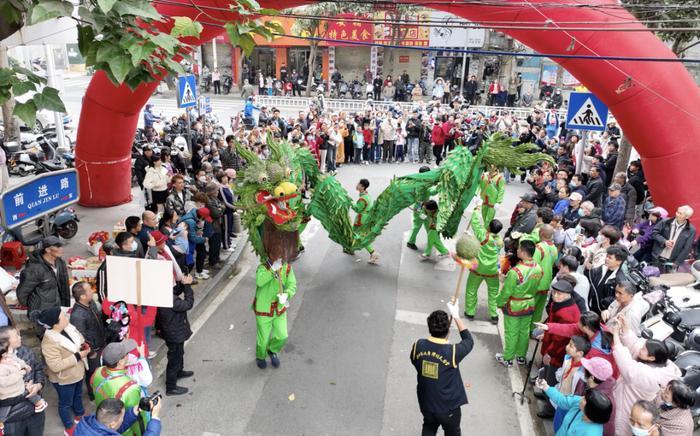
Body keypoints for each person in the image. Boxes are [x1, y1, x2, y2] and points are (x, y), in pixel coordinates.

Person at [410, 303, 474, 436]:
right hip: (448, 408)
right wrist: (456, 316)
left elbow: (415, 362)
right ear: (448, 331)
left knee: (429, 426)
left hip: (426, 403)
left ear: (430, 328)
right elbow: (468, 340)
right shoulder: (452, 352)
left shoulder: (418, 345)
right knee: (452, 432)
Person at [611, 314, 681, 436]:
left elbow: (627, 366)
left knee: (619, 430)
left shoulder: (650, 375)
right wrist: (625, 328)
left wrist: (616, 335)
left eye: (643, 349)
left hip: (628, 408)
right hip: (623, 398)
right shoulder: (659, 362)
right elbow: (635, 345)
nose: (640, 350)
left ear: (651, 357)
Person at [36, 307, 89, 435]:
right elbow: (55, 365)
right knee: (65, 403)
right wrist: (78, 356)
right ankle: (69, 427)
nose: (66, 316)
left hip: (77, 372)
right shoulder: (49, 342)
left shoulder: (67, 327)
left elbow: (78, 338)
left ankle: (79, 415)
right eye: (63, 316)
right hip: (64, 378)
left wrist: (83, 345)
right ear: (55, 324)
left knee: (77, 395)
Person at [495, 240, 544, 367]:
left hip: (514, 306)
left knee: (512, 332)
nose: (517, 251)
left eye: (519, 249)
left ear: (523, 252)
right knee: (524, 331)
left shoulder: (515, 272)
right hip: (529, 304)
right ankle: (521, 357)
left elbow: (506, 292)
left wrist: (499, 302)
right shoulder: (538, 268)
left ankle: (508, 358)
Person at [91, 339, 151, 436]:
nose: (128, 355)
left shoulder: (98, 371)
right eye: (127, 353)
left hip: (104, 421)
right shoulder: (130, 388)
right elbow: (137, 419)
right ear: (120, 361)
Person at [254, 258, 297, 369]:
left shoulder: (287, 267)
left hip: (279, 309)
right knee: (263, 340)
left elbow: (292, 285)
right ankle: (260, 356)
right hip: (263, 309)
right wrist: (272, 269)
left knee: (282, 336)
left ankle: (272, 350)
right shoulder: (263, 267)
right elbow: (259, 281)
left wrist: (287, 295)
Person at [156, 276, 195, 396]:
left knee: (179, 354)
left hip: (173, 332)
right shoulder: (170, 300)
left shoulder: (162, 294)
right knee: (174, 359)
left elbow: (175, 291)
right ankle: (171, 387)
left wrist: (183, 284)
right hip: (174, 334)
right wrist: (188, 286)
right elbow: (188, 304)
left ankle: (179, 371)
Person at [463, 208, 503, 324]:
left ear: (489, 227)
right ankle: (494, 315)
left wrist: (475, 209)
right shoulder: (499, 240)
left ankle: (470, 312)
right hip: (493, 271)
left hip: (478, 270)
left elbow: (475, 223)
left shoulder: (483, 235)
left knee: (471, 290)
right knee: (493, 293)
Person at [69, 282, 106, 401]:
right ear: (82, 297)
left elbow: (99, 318)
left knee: (101, 371)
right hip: (93, 350)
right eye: (89, 290)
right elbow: (80, 338)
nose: (92, 291)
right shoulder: (77, 315)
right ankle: (94, 395)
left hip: (100, 344)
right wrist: (90, 353)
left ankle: (103, 390)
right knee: (93, 374)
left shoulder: (91, 304)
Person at [537, 378, 613, 436]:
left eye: (585, 400)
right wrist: (546, 387)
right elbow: (562, 400)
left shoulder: (592, 433)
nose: (581, 398)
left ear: (591, 411)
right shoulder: (579, 403)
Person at [17, 236, 70, 315]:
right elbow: (22, 294)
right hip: (42, 313)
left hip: (57, 308)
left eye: (61, 246)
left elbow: (63, 285)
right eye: (58, 247)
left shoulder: (60, 262)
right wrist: (35, 306)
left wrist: (64, 305)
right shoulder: (35, 269)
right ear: (47, 250)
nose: (61, 249)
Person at [573, 357, 616, 436]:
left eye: (586, 370)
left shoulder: (604, 402)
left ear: (592, 377)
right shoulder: (585, 383)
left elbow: (607, 428)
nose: (583, 370)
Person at [75, 397, 161, 436]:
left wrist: (134, 412)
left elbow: (112, 429)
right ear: (112, 424)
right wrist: (154, 418)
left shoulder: (84, 425)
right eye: (122, 417)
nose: (123, 418)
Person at [651, 205, 696, 273]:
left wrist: (678, 261)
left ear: (687, 217)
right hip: (657, 256)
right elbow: (654, 233)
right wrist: (664, 241)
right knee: (653, 277)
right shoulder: (665, 221)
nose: (677, 214)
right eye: (677, 212)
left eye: (680, 213)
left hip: (672, 261)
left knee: (668, 281)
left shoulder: (691, 230)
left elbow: (687, 248)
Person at [586, 246, 627, 315]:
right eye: (607, 256)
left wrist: (604, 302)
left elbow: (617, 300)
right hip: (588, 304)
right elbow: (590, 277)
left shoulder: (620, 280)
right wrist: (587, 269)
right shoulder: (602, 267)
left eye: (610, 258)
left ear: (619, 262)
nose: (606, 259)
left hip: (600, 313)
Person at [531, 225, 558, 327]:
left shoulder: (538, 248)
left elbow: (533, 266)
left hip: (536, 283)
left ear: (541, 233)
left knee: (529, 309)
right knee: (539, 309)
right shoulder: (554, 248)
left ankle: (526, 329)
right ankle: (533, 329)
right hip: (547, 283)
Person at [351, 179, 380, 264]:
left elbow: (357, 209)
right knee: (355, 234)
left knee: (359, 237)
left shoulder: (362, 199)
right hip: (365, 218)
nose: (357, 185)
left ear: (362, 187)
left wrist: (351, 202)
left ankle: (373, 253)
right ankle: (351, 249)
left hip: (361, 219)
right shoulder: (366, 195)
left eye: (359, 184)